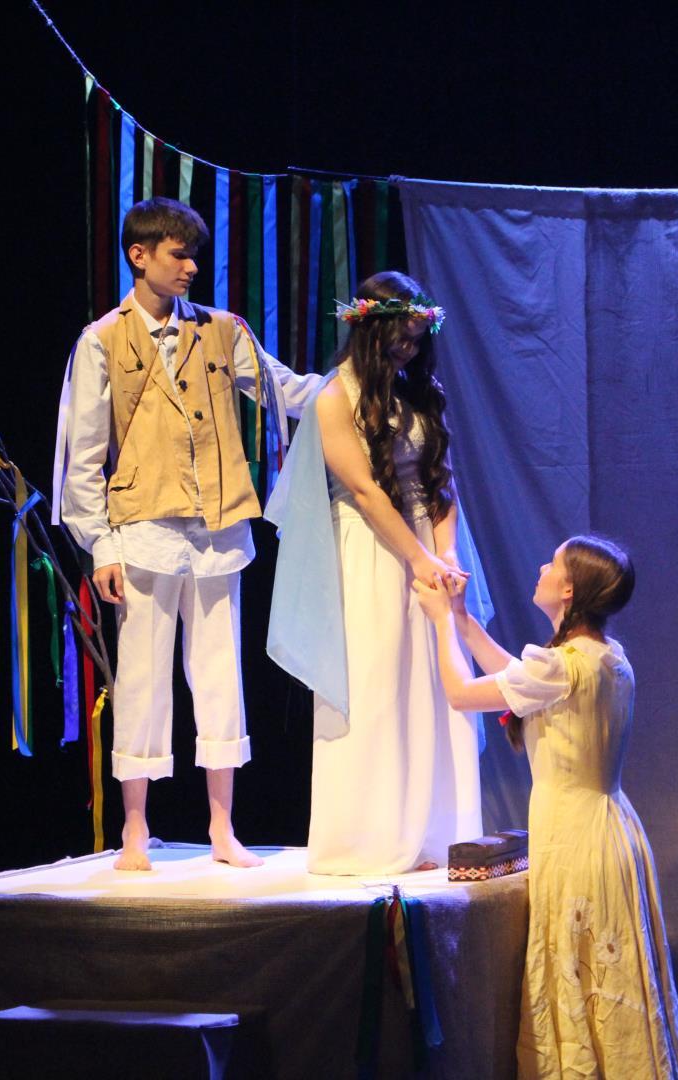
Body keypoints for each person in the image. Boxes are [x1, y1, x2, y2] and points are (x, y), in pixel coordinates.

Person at [54, 196, 322, 871]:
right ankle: (135, 827)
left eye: (194, 255)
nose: (191, 267)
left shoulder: (222, 330)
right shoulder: (100, 341)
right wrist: (101, 546)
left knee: (220, 675)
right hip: (142, 529)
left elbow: (286, 391)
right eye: (178, 254)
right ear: (139, 255)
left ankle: (222, 828)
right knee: (142, 679)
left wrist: (358, 383)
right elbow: (82, 458)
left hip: (217, 527)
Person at [412, 536, 678, 1078]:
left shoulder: (563, 666)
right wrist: (462, 619)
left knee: (584, 970)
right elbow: (516, 681)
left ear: (568, 589)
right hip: (610, 831)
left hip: (575, 838)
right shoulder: (604, 657)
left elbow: (463, 694)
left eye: (554, 563)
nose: (542, 566)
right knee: (603, 974)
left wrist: (442, 623)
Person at [264, 271, 487, 875]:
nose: (408, 349)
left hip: (424, 545)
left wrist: (448, 555)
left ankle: (435, 832)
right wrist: (420, 560)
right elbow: (364, 491)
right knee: (378, 679)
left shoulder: (419, 393)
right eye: (400, 338)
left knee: (434, 678)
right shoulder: (335, 397)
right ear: (371, 332)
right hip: (370, 550)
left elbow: (441, 482)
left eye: (416, 339)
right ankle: (369, 836)